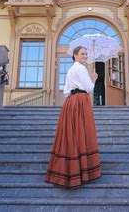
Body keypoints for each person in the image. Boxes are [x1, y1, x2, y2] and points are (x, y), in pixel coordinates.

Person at [45, 46, 101, 188]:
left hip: (70, 102)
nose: (85, 56)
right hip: (80, 101)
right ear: (75, 55)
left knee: (72, 134)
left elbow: (65, 91)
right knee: (82, 132)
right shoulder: (81, 68)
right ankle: (82, 170)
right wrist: (94, 79)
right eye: (82, 54)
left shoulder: (71, 69)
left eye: (86, 54)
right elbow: (89, 88)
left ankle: (69, 170)